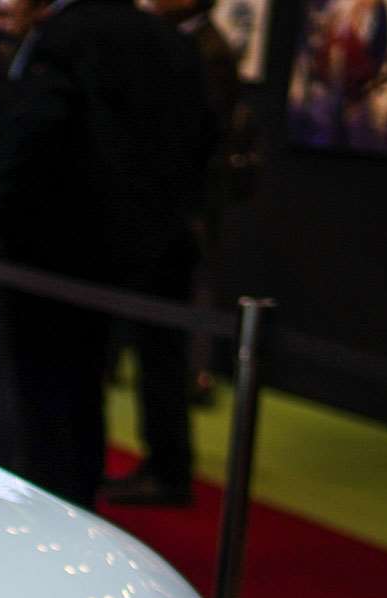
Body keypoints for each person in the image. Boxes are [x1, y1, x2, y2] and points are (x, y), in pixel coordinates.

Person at [0, 0, 214, 508]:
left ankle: (34, 509)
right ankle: (77, 503)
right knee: (83, 390)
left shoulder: (63, 37)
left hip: (49, 253)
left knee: (38, 403)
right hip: (131, 250)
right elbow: (201, 140)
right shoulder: (170, 43)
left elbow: (32, 138)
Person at [109, 0, 244, 507]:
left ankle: (167, 469)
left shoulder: (203, 51)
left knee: (163, 353)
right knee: (156, 352)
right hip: (171, 217)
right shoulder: (188, 45)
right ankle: (162, 463)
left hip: (175, 222)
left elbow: (193, 136)